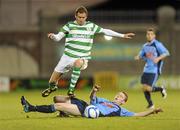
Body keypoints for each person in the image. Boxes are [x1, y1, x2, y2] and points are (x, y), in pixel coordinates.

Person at [42, 6, 135, 97]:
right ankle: (52, 88)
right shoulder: (69, 26)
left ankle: (71, 90)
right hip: (67, 57)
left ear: (86, 17)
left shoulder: (91, 26)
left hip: (82, 58)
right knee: (52, 82)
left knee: (78, 63)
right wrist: (53, 36)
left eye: (83, 17)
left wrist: (122, 35)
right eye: (79, 17)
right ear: (75, 16)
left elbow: (105, 31)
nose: (81, 19)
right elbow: (58, 37)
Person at [21, 85, 163, 117]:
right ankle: (64, 114)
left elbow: (138, 114)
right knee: (57, 98)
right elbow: (91, 98)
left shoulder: (121, 110)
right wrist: (94, 90)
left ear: (123, 102)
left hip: (87, 111)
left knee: (58, 105)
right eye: (118, 94)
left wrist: (153, 111)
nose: (117, 96)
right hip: (87, 104)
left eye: (121, 97)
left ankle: (30, 108)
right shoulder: (105, 100)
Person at [134, 27, 170, 109]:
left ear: (154, 36)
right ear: (146, 36)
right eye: (148, 34)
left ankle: (161, 88)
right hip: (146, 69)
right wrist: (138, 57)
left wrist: (158, 58)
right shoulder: (145, 46)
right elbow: (141, 54)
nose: (149, 36)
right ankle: (151, 104)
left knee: (149, 88)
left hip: (154, 70)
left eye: (151, 34)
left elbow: (166, 53)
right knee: (144, 88)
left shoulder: (157, 44)